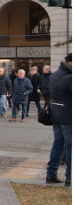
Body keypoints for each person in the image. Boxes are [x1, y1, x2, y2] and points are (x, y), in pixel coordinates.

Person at [45, 53, 71, 186]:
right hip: (67, 116)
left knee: (58, 145)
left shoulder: (55, 74)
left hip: (55, 114)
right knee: (70, 147)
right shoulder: (70, 78)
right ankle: (69, 178)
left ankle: (51, 175)